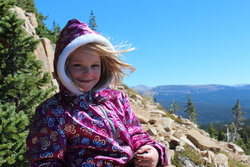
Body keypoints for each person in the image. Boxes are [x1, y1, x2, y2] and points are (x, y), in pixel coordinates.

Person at [26, 19, 168, 167]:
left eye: (95, 65)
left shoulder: (117, 98)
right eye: (78, 65)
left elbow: (136, 133)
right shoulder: (52, 111)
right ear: (63, 67)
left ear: (103, 66)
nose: (88, 73)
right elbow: (45, 160)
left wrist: (153, 152)